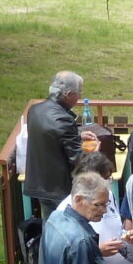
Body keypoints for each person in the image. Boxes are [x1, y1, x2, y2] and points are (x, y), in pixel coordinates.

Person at [24, 70, 93, 221]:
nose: (79, 97)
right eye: (79, 93)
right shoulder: (63, 119)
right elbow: (78, 158)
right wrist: (95, 152)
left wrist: (77, 135)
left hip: (38, 182)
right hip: (59, 188)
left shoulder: (35, 110)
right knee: (66, 227)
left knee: (49, 225)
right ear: (68, 94)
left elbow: (49, 136)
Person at [54, 150, 125, 257]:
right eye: (102, 180)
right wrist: (97, 253)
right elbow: (67, 256)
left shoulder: (108, 195)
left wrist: (125, 237)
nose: (107, 185)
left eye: (108, 179)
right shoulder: (64, 212)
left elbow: (114, 226)